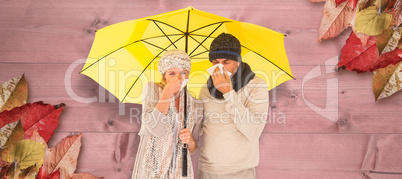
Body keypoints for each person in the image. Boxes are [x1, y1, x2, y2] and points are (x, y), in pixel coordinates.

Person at [198, 33, 269, 179]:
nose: (220, 67)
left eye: (226, 62)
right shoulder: (206, 88)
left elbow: (254, 131)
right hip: (207, 170)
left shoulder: (256, 85)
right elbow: (198, 129)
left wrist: (229, 93)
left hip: (240, 171)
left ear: (237, 61)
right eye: (215, 62)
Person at [132, 49, 204, 179]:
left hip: (181, 172)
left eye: (183, 72)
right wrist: (168, 90)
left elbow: (192, 149)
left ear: (188, 75)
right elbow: (155, 128)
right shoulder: (152, 90)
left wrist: (190, 141)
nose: (178, 78)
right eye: (172, 73)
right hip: (152, 170)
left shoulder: (196, 105)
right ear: (164, 75)